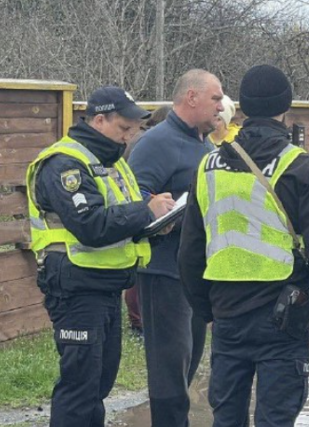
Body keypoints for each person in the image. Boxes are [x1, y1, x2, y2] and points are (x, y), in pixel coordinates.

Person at [179, 64, 309, 427]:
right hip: (283, 317)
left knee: (226, 419)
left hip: (227, 314)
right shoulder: (302, 166)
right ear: (285, 106)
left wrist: (208, 312)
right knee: (276, 419)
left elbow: (189, 253)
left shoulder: (208, 165)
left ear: (241, 106)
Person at [25, 86, 175, 427]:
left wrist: (156, 220)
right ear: (99, 119)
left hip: (106, 286)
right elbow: (89, 225)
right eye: (123, 129)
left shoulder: (111, 163)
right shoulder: (65, 163)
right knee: (80, 388)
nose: (129, 137)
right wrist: (144, 211)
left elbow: (122, 217)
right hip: (76, 288)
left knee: (98, 385)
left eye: (132, 130)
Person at [128, 70, 223, 427]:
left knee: (189, 365)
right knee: (169, 371)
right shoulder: (157, 141)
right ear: (191, 98)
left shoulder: (205, 144)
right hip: (163, 272)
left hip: (197, 274)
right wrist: (158, 206)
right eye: (215, 98)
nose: (221, 106)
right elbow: (130, 196)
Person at [122, 105, 171, 338]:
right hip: (144, 210)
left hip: (134, 211)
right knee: (139, 272)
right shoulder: (149, 143)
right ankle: (138, 322)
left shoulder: (139, 139)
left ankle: (137, 321)